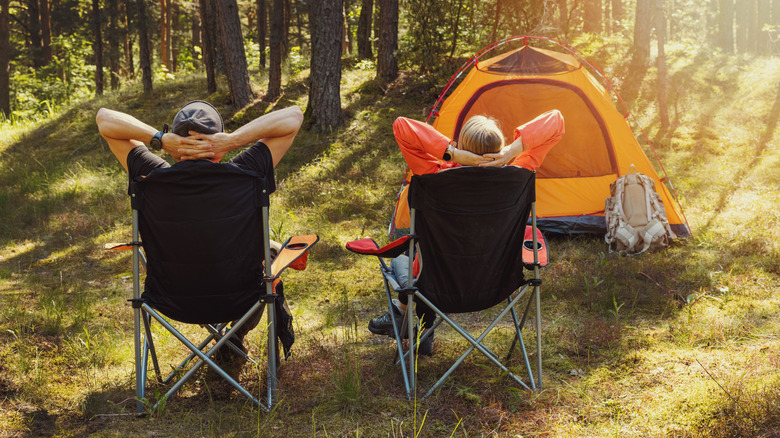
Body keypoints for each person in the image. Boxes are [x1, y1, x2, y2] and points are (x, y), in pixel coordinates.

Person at [96, 101, 304, 371]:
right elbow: (294, 116)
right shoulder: (247, 171)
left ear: (175, 148)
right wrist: (233, 141)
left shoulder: (152, 176)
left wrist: (159, 139)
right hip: (241, 297)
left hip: (172, 298)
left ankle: (228, 339)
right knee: (270, 252)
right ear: (218, 142)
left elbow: (104, 119)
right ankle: (235, 334)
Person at [368, 110, 565, 356]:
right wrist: (510, 153)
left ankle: (401, 315)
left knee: (406, 260)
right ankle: (421, 331)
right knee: (423, 262)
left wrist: (454, 154)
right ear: (499, 147)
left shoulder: (433, 175)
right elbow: (556, 121)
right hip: (495, 284)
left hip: (435, 284)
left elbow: (401, 126)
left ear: (462, 146)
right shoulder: (519, 174)